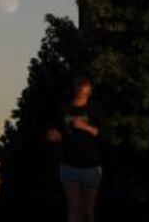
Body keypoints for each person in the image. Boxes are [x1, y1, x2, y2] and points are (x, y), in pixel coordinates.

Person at [46, 76, 105, 222]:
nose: (83, 92)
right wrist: (53, 136)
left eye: (86, 89)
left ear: (89, 91)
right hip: (69, 165)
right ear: (75, 89)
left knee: (88, 211)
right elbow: (52, 132)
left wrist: (85, 127)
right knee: (74, 207)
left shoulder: (94, 109)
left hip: (91, 166)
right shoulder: (63, 110)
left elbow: (103, 133)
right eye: (80, 88)